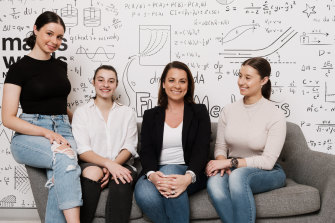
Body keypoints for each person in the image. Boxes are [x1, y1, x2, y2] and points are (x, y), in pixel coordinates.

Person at [2, 11, 82, 223]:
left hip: (63, 130)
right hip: (30, 132)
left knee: (61, 177)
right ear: (36, 30)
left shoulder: (60, 66)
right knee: (66, 158)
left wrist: (82, 121)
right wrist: (46, 132)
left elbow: (58, 105)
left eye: (59, 37)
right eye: (49, 33)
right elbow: (8, 118)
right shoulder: (18, 69)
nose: (54, 41)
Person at [206, 57, 287, 223]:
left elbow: (268, 162)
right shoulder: (228, 110)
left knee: (238, 177)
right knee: (214, 182)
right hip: (233, 169)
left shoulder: (275, 114)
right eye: (240, 75)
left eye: (248, 78)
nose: (241, 82)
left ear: (264, 80)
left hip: (268, 172)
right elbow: (220, 147)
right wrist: (221, 162)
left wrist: (230, 163)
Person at [134, 61, 211, 223]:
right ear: (163, 84)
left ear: (188, 85)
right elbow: (146, 150)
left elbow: (201, 150)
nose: (177, 85)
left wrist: (188, 177)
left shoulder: (199, 112)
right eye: (171, 80)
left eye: (182, 81)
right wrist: (152, 175)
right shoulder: (150, 115)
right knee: (144, 194)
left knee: (171, 177)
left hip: (190, 172)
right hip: (157, 172)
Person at [71, 65, 138, 223]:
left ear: (116, 84)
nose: (105, 85)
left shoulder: (127, 113)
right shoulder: (82, 112)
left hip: (122, 164)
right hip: (92, 164)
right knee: (93, 173)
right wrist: (108, 165)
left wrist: (114, 166)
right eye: (101, 80)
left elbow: (129, 147)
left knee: (123, 177)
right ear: (93, 82)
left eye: (111, 81)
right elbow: (83, 150)